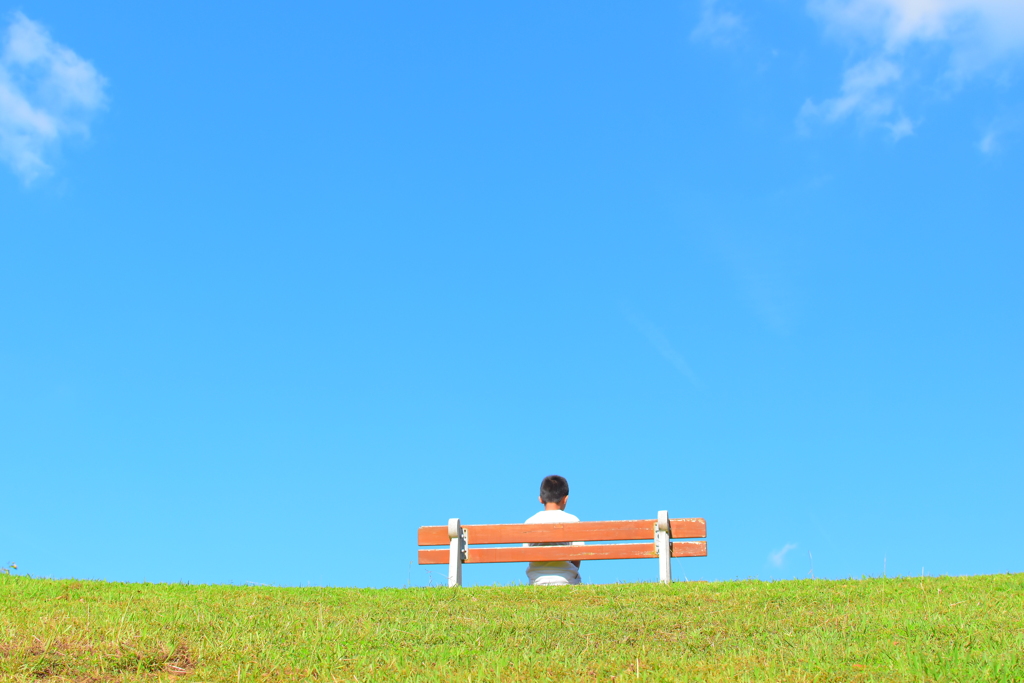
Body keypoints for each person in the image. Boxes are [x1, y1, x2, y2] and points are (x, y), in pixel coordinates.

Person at [524, 475, 582, 586]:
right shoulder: (572, 520)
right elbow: (577, 556)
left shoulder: (530, 522)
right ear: (565, 499)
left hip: (537, 580)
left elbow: (527, 554)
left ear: (540, 499)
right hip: (566, 579)